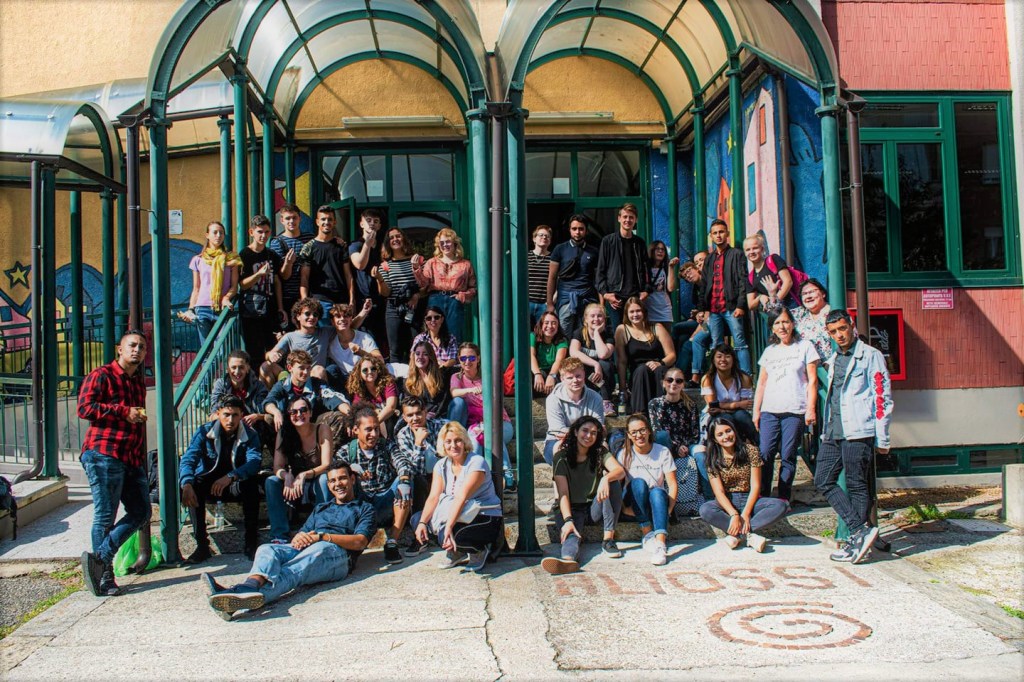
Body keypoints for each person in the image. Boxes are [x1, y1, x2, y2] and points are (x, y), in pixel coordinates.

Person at [202, 460, 375, 618]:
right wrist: (300, 537)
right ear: (329, 484)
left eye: (342, 478)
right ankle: (249, 586)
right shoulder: (321, 508)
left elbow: (360, 542)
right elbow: (302, 533)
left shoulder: (365, 508)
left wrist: (323, 537)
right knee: (266, 549)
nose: (338, 484)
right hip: (310, 547)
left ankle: (237, 594)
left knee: (301, 563)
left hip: (338, 557)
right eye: (333, 481)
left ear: (352, 479)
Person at [814, 310, 893, 564]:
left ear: (851, 326)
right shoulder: (834, 358)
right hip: (833, 430)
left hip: (859, 430)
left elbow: (882, 396)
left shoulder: (870, 355)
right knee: (822, 479)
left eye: (842, 329)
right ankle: (860, 531)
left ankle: (855, 540)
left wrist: (883, 437)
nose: (839, 335)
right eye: (833, 332)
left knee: (857, 484)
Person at [77, 330, 151, 597]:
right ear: (120, 349)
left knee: (142, 512)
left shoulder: (138, 383)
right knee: (105, 516)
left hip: (130, 456)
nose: (137, 350)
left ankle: (100, 558)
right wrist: (123, 411)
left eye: (142, 347)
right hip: (103, 452)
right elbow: (85, 408)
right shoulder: (102, 375)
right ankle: (105, 577)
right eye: (132, 345)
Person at [179, 397, 263, 563]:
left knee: (252, 485)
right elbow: (189, 458)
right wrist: (186, 483)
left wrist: (231, 476)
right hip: (210, 483)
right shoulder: (205, 432)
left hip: (234, 482)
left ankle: (251, 543)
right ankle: (202, 546)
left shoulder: (250, 434)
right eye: (226, 415)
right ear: (218, 414)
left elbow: (254, 461)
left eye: (235, 415)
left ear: (241, 415)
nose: (230, 420)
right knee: (193, 486)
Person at [414, 421, 503, 572]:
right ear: (443, 444)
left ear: (465, 441)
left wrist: (448, 527)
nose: (453, 445)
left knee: (451, 534)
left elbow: (461, 497)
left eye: (458, 440)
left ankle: (478, 551)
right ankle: (457, 551)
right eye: (448, 441)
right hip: (460, 513)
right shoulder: (441, 465)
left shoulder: (476, 462)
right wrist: (423, 522)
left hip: (483, 515)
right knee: (418, 519)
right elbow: (434, 496)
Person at [543, 416, 626, 574]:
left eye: (593, 433)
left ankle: (608, 539)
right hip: (570, 508)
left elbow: (620, 471)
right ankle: (568, 560)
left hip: (593, 508)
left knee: (613, 482)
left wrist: (605, 479)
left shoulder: (600, 452)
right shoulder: (561, 457)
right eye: (585, 431)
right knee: (571, 534)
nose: (589, 436)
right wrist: (568, 520)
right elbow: (563, 494)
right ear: (575, 432)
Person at [753, 307, 819, 504]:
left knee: (788, 454)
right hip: (769, 409)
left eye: (785, 322)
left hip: (794, 408)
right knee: (765, 452)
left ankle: (783, 497)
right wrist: (756, 411)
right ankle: (763, 495)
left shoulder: (805, 346)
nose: (781, 326)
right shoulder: (769, 351)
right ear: (772, 328)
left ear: (792, 323)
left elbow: (813, 380)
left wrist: (811, 408)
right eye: (777, 323)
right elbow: (761, 383)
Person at [699, 415, 787, 552]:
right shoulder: (712, 458)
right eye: (720, 434)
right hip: (727, 501)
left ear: (734, 430)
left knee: (780, 505)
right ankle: (748, 536)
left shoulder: (750, 450)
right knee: (705, 510)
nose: (726, 436)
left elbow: (756, 486)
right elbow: (719, 492)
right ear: (715, 439)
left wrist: (745, 513)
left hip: (750, 498)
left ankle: (738, 535)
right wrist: (734, 514)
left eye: (728, 431)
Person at [341, 408, 414, 564]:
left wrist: (404, 480)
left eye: (376, 429)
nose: (374, 434)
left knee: (405, 481)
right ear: (356, 430)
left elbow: (402, 463)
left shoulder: (386, 445)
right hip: (361, 507)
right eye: (368, 429)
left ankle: (392, 541)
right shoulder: (347, 451)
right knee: (342, 480)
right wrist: (350, 470)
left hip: (386, 502)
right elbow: (333, 472)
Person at [265, 396, 333, 542]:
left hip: (315, 479)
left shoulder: (322, 429)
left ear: (310, 412)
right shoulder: (284, 433)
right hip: (293, 484)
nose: (299, 414)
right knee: (271, 481)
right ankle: (279, 535)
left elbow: (327, 464)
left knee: (324, 479)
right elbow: (277, 466)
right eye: (293, 412)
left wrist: (304, 475)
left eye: (303, 410)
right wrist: (286, 476)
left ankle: (321, 530)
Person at [449, 342, 515, 489]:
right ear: (459, 359)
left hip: (499, 423)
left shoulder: (487, 377)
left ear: (478, 359)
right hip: (475, 425)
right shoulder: (457, 377)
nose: (467, 362)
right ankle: (474, 481)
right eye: (463, 358)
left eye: (472, 358)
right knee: (475, 440)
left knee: (490, 434)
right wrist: (471, 390)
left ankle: (507, 475)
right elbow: (454, 393)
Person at [617, 413, 677, 566]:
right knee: (638, 482)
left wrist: (668, 510)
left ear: (649, 430)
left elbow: (672, 484)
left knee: (657, 491)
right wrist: (623, 508)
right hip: (634, 502)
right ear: (628, 435)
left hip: (657, 502)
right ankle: (647, 532)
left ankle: (660, 544)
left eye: (642, 430)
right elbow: (617, 485)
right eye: (634, 432)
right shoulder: (624, 454)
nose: (639, 435)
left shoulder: (662, 451)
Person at [394, 396, 447, 555]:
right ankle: (420, 537)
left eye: (418, 413)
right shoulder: (403, 435)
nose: (415, 418)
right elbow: (413, 469)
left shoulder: (439, 426)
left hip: (444, 476)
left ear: (425, 412)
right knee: (413, 479)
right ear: (404, 417)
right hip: (422, 480)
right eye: (410, 415)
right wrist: (418, 443)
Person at [696, 219, 750, 374]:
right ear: (711, 236)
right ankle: (717, 376)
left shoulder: (736, 254)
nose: (718, 235)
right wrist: (702, 309)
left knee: (740, 343)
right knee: (716, 344)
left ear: (727, 234)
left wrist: (741, 305)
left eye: (721, 232)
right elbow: (704, 285)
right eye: (715, 233)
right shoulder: (709, 259)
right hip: (714, 309)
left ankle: (745, 377)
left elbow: (743, 281)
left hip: (731, 307)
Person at [650, 367, 708, 513]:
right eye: (669, 380)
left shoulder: (690, 405)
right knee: (662, 436)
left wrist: (685, 446)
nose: (673, 384)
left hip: (687, 445)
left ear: (683, 384)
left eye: (678, 381)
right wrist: (677, 447)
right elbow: (656, 430)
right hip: (665, 446)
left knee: (701, 454)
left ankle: (710, 499)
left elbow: (695, 434)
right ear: (663, 383)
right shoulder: (655, 404)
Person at [263, 350, 351, 442]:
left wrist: (350, 415)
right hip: (291, 425)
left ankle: (327, 449)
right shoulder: (282, 385)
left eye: (308, 368)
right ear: (290, 368)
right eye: (301, 368)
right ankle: (281, 450)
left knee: (339, 417)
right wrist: (276, 412)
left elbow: (335, 399)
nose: (306, 372)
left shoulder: (317, 384)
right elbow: (268, 402)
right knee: (268, 418)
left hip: (314, 424)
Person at [614, 296, 676, 414]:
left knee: (660, 370)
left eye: (638, 311)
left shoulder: (657, 328)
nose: (635, 314)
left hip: (658, 368)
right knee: (642, 369)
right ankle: (640, 413)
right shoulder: (622, 330)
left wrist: (660, 363)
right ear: (627, 314)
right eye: (632, 312)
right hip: (638, 374)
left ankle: (664, 411)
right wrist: (622, 388)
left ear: (644, 312)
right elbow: (622, 362)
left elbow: (672, 355)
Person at [371, 227, 424, 362]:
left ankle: (416, 375)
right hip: (394, 309)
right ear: (387, 242)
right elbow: (386, 293)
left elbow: (425, 285)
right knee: (395, 350)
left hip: (413, 308)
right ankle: (396, 375)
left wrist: (417, 295)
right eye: (391, 238)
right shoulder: (385, 265)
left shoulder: (416, 260)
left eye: (398, 236)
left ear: (404, 238)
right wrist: (379, 279)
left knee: (417, 347)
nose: (395, 239)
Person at [238, 214, 286, 359]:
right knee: (255, 351)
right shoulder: (244, 255)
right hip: (252, 311)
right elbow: (242, 285)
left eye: (266, 232)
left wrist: (280, 307)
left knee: (274, 350)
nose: (263, 236)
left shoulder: (271, 254)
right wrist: (258, 274)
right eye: (259, 232)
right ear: (251, 232)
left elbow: (277, 281)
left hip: (270, 309)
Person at [596, 203, 650, 331]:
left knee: (636, 332)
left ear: (636, 220)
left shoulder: (639, 243)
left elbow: (646, 270)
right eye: (625, 217)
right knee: (618, 332)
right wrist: (606, 294)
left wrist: (646, 290)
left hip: (635, 296)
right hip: (616, 297)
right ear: (619, 218)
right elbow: (600, 270)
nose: (628, 220)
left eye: (631, 217)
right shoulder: (608, 241)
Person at [185, 221, 240, 345]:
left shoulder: (231, 259)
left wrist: (226, 298)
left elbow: (234, 286)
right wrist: (190, 310)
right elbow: (196, 288)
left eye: (221, 233)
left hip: (222, 308)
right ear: (207, 235)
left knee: (222, 347)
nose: (218, 235)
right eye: (215, 232)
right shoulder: (198, 260)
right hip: (202, 308)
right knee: (206, 348)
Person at [417, 228, 476, 343]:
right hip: (435, 299)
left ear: (455, 243)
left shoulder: (465, 264)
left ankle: (454, 355)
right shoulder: (431, 262)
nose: (445, 245)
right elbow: (423, 284)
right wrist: (417, 269)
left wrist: (462, 296)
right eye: (442, 243)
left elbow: (473, 288)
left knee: (454, 335)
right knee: (434, 334)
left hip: (455, 301)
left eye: (448, 242)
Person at [260, 298, 335, 387]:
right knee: (266, 366)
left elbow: (346, 329)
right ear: (298, 316)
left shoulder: (325, 332)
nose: (312, 317)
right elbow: (269, 354)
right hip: (294, 378)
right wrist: (272, 355)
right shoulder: (290, 336)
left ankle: (319, 395)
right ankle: (268, 395)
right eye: (307, 313)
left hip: (313, 376)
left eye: (315, 314)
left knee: (319, 370)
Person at [546, 214, 599, 336]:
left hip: (587, 299)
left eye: (581, 229)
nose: (577, 232)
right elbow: (552, 277)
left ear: (586, 230)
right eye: (574, 229)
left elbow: (598, 279)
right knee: (563, 334)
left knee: (586, 335)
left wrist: (601, 304)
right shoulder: (560, 249)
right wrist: (549, 303)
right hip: (565, 299)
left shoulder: (594, 251)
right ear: (569, 230)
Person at [299, 205, 354, 323]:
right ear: (317, 222)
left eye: (330, 219)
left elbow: (348, 275)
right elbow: (304, 277)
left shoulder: (341, 246)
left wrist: (352, 300)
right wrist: (305, 302)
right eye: (323, 219)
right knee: (323, 333)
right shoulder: (308, 247)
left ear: (335, 222)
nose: (326, 222)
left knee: (342, 334)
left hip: (341, 301)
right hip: (319, 301)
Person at [209, 350, 271, 446]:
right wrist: (234, 420)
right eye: (233, 367)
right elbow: (213, 414)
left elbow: (265, 412)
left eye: (241, 367)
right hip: (228, 428)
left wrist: (257, 416)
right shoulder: (221, 385)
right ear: (227, 369)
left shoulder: (258, 386)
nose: (237, 372)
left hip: (252, 430)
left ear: (247, 368)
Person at [700, 343, 757, 442]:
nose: (723, 360)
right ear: (713, 360)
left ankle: (759, 446)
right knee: (725, 418)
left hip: (738, 414)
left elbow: (745, 406)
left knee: (742, 415)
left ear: (733, 359)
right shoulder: (708, 378)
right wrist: (736, 404)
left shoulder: (744, 378)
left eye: (727, 356)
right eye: (719, 356)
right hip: (713, 416)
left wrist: (723, 408)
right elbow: (712, 406)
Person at [347, 208, 387, 346]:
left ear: (379, 225)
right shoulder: (355, 245)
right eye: (368, 220)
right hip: (363, 301)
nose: (372, 224)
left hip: (382, 299)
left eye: (376, 221)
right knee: (366, 341)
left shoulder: (383, 247)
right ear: (361, 224)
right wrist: (367, 245)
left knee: (382, 342)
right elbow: (360, 264)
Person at [267, 204, 310, 330]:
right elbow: (282, 276)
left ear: (299, 218)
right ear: (282, 220)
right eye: (287, 218)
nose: (291, 221)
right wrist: (288, 263)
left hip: (308, 295)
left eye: (294, 218)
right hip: (287, 298)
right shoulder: (277, 242)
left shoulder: (309, 239)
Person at [569, 302, 616, 416]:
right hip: (586, 377)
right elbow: (573, 352)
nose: (596, 319)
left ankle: (606, 402)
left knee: (605, 364)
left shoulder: (608, 334)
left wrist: (596, 333)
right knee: (581, 365)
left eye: (600, 316)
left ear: (604, 319)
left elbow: (603, 354)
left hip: (604, 380)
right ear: (586, 319)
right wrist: (595, 364)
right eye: (592, 316)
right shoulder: (579, 332)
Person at [325, 302, 383, 389]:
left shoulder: (364, 337)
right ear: (332, 322)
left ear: (351, 319)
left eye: (346, 316)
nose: (342, 319)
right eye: (338, 316)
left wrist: (361, 353)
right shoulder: (330, 342)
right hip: (345, 381)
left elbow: (380, 361)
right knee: (331, 369)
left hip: (364, 377)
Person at [673, 260, 711, 386]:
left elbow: (708, 315)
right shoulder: (696, 288)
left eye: (689, 271)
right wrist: (696, 314)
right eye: (685, 276)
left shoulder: (707, 283)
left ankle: (678, 373)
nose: (688, 276)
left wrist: (694, 334)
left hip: (711, 322)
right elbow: (701, 310)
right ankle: (680, 372)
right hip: (702, 321)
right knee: (682, 337)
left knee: (683, 335)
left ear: (697, 269)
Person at [345, 356, 399, 437]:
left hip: (393, 420)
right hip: (375, 426)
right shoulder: (360, 390)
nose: (370, 372)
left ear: (378, 370)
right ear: (359, 373)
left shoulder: (388, 383)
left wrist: (373, 424)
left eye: (373, 369)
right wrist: (350, 424)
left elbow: (391, 407)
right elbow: (356, 411)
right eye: (365, 370)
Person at [744, 234, 796, 311]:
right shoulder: (750, 277)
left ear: (762, 249)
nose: (751, 252)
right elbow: (751, 305)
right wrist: (760, 297)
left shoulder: (773, 260)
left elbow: (788, 282)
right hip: (775, 313)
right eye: (748, 249)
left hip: (792, 307)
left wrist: (773, 302)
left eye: (755, 248)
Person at [403, 341, 454, 420]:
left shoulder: (442, 375)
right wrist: (424, 414)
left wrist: (435, 415)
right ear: (413, 357)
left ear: (430, 357)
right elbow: (409, 405)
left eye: (425, 354)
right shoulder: (408, 382)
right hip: (418, 418)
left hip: (440, 417)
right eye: (417, 354)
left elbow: (444, 402)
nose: (420, 357)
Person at [531, 311, 568, 396]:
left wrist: (552, 376)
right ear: (541, 325)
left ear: (558, 326)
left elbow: (559, 360)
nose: (550, 326)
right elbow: (531, 356)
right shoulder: (533, 336)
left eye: (554, 323)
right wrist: (537, 374)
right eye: (546, 323)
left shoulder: (562, 340)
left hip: (554, 373)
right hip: (536, 372)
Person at [646, 240, 678, 325]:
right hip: (649, 310)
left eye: (663, 249)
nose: (660, 251)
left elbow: (671, 288)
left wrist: (671, 267)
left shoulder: (666, 268)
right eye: (657, 249)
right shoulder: (644, 268)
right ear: (652, 250)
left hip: (664, 310)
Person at [527, 225, 553, 326]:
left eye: (547, 236)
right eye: (541, 235)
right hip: (527, 303)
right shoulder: (526, 256)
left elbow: (559, 281)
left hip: (544, 305)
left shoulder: (553, 258)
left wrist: (550, 303)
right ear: (534, 239)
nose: (544, 237)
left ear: (550, 241)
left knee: (542, 332)